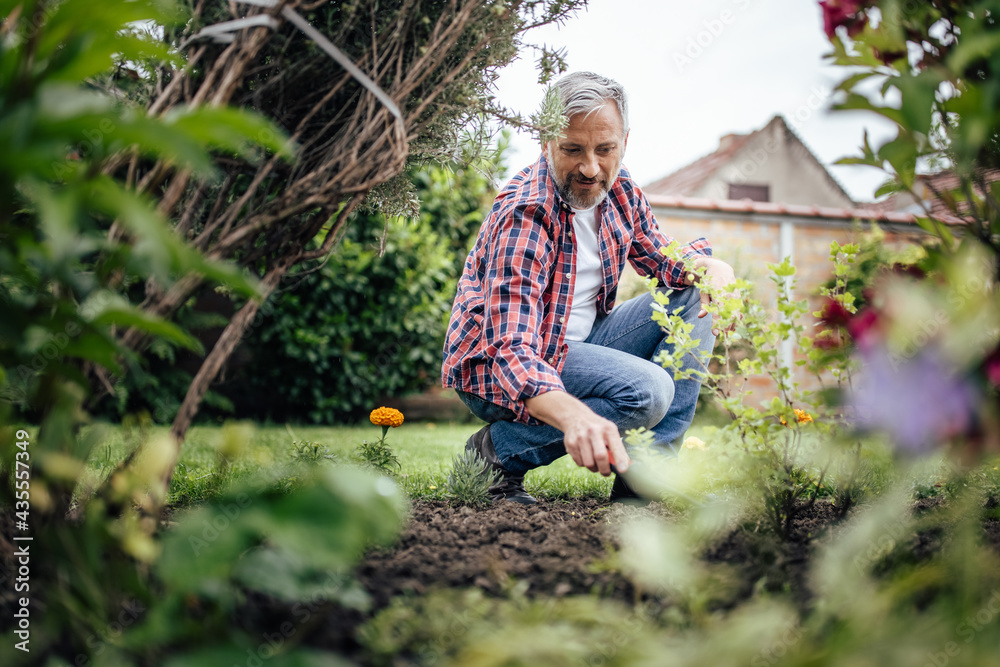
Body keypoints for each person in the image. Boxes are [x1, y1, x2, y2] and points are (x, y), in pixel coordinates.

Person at [441, 71, 737, 504]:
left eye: (605, 149)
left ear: (624, 142)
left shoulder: (619, 190)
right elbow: (511, 348)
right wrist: (575, 417)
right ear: (546, 141)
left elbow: (663, 258)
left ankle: (647, 477)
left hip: (577, 343)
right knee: (648, 391)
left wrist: (713, 267)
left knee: (693, 297)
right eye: (572, 149)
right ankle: (494, 455)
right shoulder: (526, 215)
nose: (590, 168)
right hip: (498, 367)